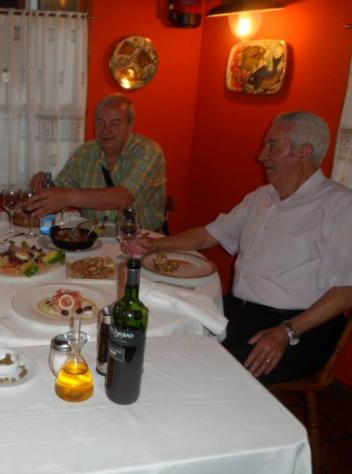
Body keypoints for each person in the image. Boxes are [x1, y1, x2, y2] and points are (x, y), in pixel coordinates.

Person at [124, 111, 352, 385]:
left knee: (208, 379)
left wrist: (286, 331)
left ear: (303, 152)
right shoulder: (262, 197)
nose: (261, 155)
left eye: (272, 146)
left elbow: (346, 291)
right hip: (241, 311)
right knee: (166, 337)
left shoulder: (340, 206)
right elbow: (208, 235)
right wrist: (154, 245)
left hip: (301, 327)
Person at [28, 94, 167, 231]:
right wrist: (45, 186)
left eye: (115, 123)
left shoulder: (148, 151)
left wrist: (67, 197)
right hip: (93, 236)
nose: (106, 129)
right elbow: (61, 190)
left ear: (130, 125)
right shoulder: (84, 152)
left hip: (142, 238)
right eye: (100, 122)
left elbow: (124, 198)